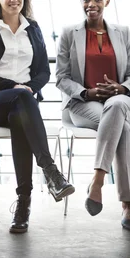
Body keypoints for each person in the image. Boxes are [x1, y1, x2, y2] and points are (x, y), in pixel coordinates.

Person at [0, 0, 75, 233]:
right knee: (22, 101)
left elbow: (43, 72)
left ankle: (23, 206)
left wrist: (26, 89)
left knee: (21, 114)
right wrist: (14, 87)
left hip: (23, 104)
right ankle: (51, 172)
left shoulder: (33, 28)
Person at [56, 0, 130, 230]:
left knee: (117, 108)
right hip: (83, 103)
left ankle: (97, 180)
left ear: (106, 1)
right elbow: (61, 77)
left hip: (118, 99)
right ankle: (128, 204)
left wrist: (121, 88)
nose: (91, 4)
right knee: (124, 128)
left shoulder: (124, 33)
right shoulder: (69, 33)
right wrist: (86, 92)